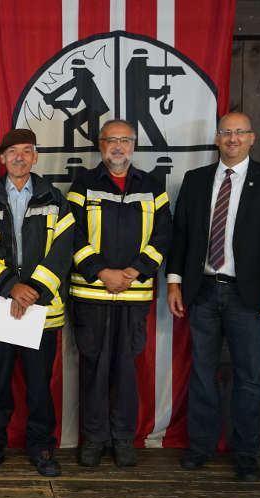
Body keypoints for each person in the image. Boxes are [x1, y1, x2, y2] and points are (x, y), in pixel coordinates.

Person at [166, 112, 260, 481]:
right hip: (203, 291)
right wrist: (175, 282)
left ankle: (245, 453)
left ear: (252, 138)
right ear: (217, 137)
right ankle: (201, 447)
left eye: (240, 132)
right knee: (202, 374)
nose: (233, 138)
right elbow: (180, 236)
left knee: (249, 377)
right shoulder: (195, 181)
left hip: (251, 295)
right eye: (226, 132)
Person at [0, 128, 74, 477]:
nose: (20, 157)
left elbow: (62, 252)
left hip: (40, 308)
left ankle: (42, 447)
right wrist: (11, 287)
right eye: (13, 151)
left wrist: (33, 292)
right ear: (2, 158)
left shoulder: (56, 199)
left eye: (27, 151)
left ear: (35, 157)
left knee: (40, 382)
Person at [67, 119, 172, 467]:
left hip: (133, 294)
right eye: (111, 140)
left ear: (134, 145)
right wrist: (101, 272)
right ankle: (94, 439)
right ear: (100, 145)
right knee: (94, 368)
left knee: (127, 370)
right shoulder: (82, 184)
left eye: (125, 140)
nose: (118, 147)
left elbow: (163, 236)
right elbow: (72, 235)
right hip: (92, 294)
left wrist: (135, 271)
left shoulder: (154, 186)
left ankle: (124, 439)